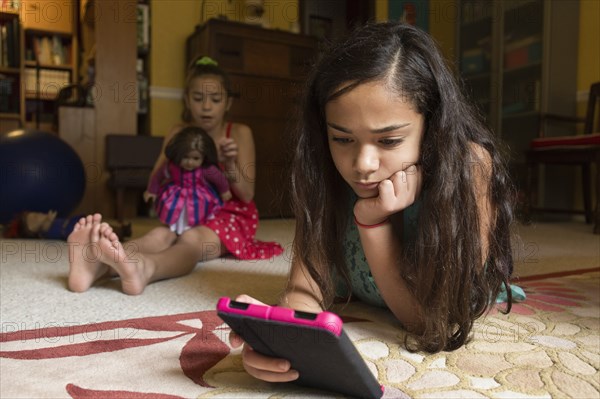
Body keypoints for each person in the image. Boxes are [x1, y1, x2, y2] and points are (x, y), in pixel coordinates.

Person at [233, 21, 519, 383]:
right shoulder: (325, 167)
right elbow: (304, 287)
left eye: (389, 141)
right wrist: (286, 336)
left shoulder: (468, 166)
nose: (362, 165)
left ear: (431, 127)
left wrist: (372, 223)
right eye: (342, 138)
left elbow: (429, 321)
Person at [67, 56, 284, 295]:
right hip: (187, 209)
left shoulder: (240, 133)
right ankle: (97, 266)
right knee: (159, 235)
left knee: (191, 241)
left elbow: (246, 194)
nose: (207, 107)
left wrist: (229, 163)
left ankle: (145, 269)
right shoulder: (178, 132)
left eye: (215, 99)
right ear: (187, 100)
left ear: (228, 102)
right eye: (198, 98)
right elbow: (160, 173)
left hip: (228, 214)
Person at [144, 126, 232, 235]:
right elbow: (158, 176)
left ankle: (194, 231)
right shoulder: (171, 167)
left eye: (196, 158)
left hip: (199, 198)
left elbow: (219, 179)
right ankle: (175, 228)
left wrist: (224, 190)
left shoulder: (206, 169)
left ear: (204, 157)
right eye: (185, 157)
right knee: (174, 212)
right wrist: (152, 191)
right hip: (175, 196)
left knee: (198, 214)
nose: (190, 163)